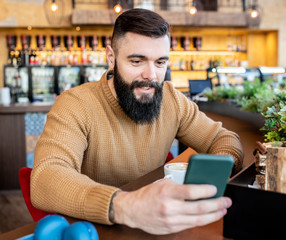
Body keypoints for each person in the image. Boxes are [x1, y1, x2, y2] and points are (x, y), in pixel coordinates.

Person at [31, 8, 243, 235]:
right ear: (111, 57)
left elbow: (226, 140)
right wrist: (126, 206)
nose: (151, 75)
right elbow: (45, 178)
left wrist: (211, 178)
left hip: (158, 229)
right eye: (137, 61)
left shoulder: (172, 100)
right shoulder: (76, 104)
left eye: (160, 62)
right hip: (94, 232)